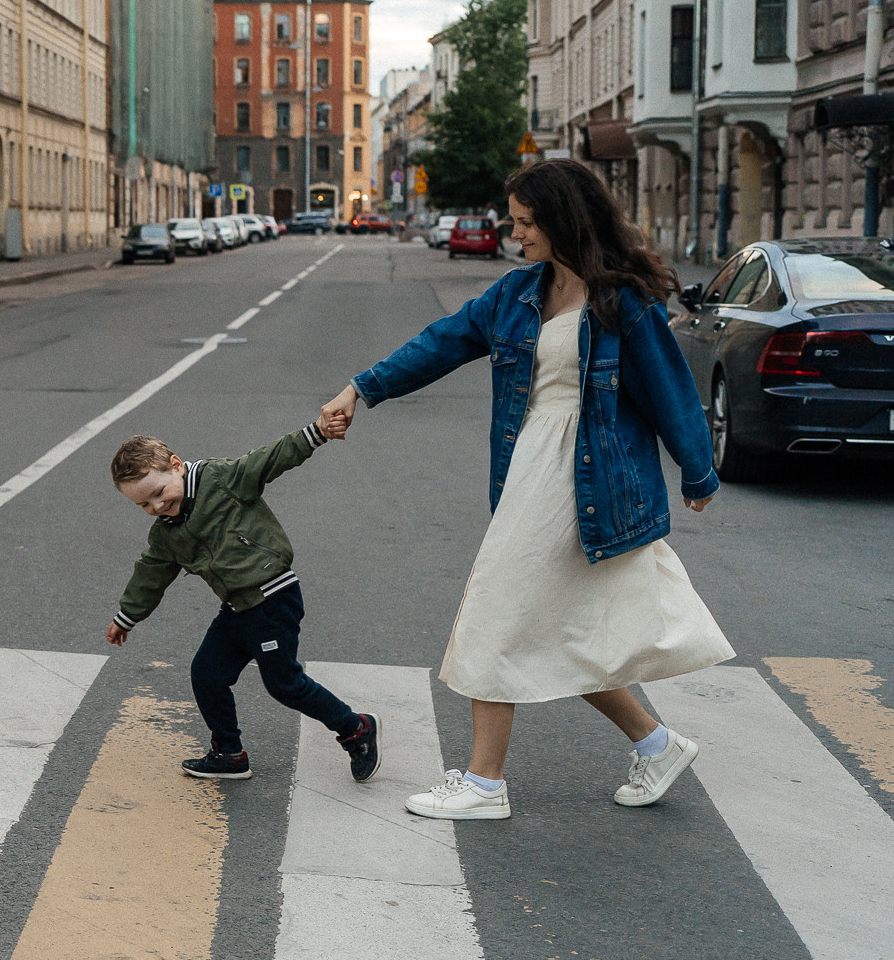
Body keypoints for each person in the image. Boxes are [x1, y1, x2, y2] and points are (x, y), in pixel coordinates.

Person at [320, 159, 729, 822]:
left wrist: (698, 472)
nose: (516, 233)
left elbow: (669, 388)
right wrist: (361, 388)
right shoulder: (516, 294)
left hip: (587, 476)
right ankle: (656, 743)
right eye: (514, 221)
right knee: (560, 629)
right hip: (532, 469)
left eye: (526, 221)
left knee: (496, 609)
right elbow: (440, 342)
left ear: (564, 220)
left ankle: (484, 782)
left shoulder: (620, 299)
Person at [105, 420, 381, 784]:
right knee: (207, 674)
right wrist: (127, 616)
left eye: (158, 492)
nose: (156, 506)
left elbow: (269, 459)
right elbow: (151, 573)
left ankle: (355, 729)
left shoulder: (219, 479)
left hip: (272, 598)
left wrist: (317, 432)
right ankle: (229, 754)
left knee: (284, 684)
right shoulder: (167, 532)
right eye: (143, 504)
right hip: (236, 608)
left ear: (175, 465)